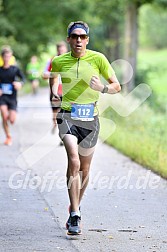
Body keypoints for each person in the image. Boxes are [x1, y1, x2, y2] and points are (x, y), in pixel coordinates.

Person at [49, 21, 121, 235]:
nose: (78, 40)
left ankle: (75, 206)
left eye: (82, 37)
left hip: (90, 118)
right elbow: (54, 79)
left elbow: (117, 86)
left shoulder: (98, 59)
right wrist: (54, 91)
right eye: (74, 36)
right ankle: (75, 216)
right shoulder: (59, 60)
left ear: (87, 40)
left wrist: (102, 88)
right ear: (69, 39)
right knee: (74, 158)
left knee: (85, 169)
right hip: (68, 114)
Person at [0, 46, 25, 146]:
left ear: (11, 57)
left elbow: (23, 79)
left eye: (9, 56)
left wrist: (20, 84)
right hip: (2, 97)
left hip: (12, 97)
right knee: (4, 116)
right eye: (5, 56)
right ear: (2, 57)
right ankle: (8, 136)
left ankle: (11, 119)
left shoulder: (15, 69)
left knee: (12, 119)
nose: (7, 58)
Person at [43, 41, 68, 134]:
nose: (61, 50)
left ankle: (62, 134)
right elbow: (44, 74)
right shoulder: (52, 60)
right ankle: (55, 124)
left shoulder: (70, 59)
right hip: (55, 91)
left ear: (66, 49)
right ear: (57, 50)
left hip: (66, 91)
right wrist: (52, 74)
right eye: (59, 49)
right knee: (55, 114)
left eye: (62, 48)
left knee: (64, 114)